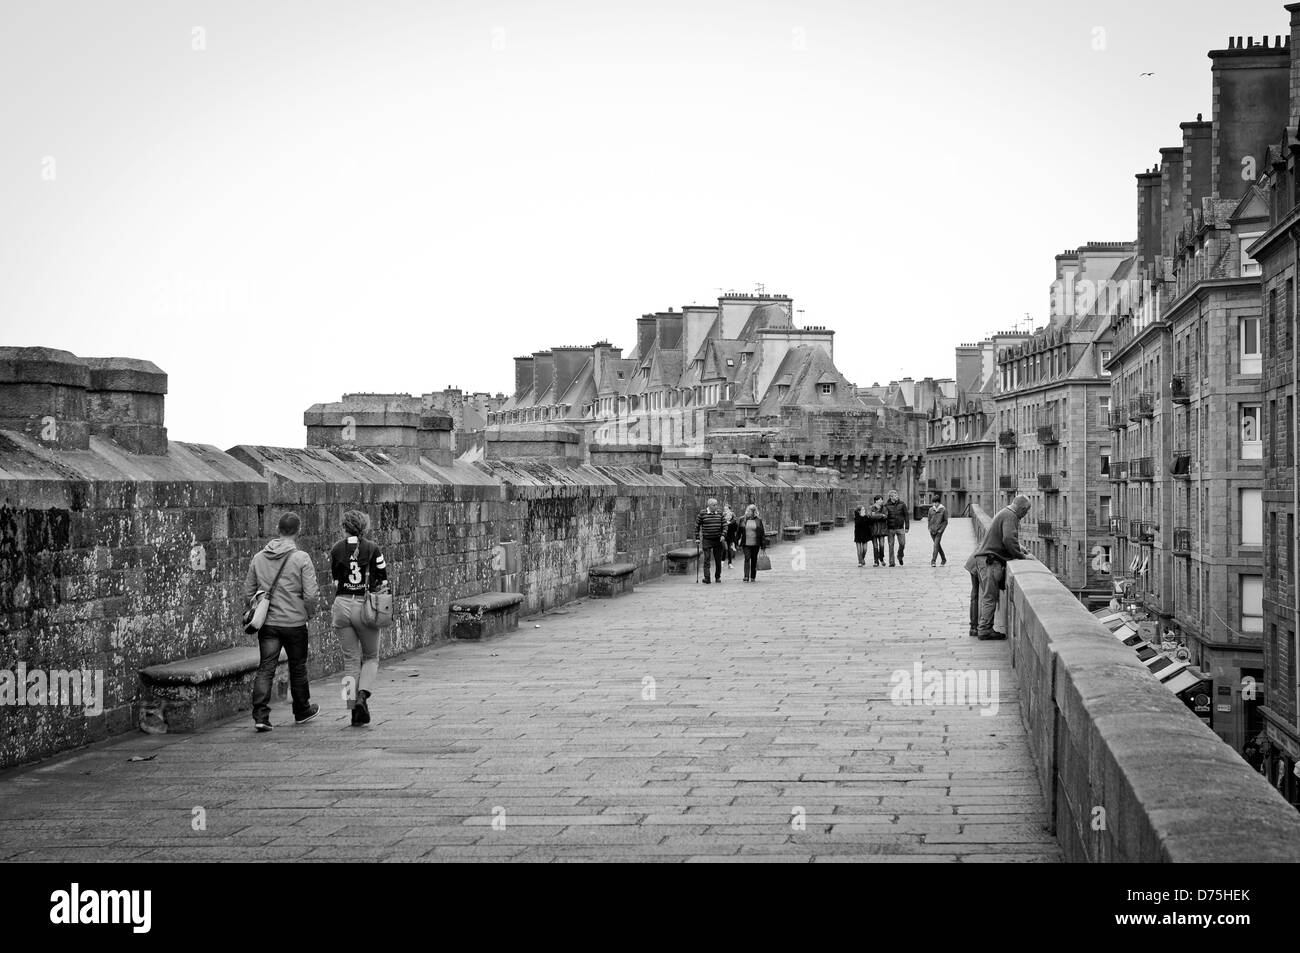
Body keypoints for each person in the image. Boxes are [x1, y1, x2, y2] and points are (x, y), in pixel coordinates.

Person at [245, 512, 320, 732]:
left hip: (268, 624)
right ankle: (301, 709)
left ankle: (261, 715)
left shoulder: (259, 558)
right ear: (299, 530)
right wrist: (308, 614)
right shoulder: (301, 558)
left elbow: (247, 591)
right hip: (295, 623)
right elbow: (311, 595)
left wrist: (258, 605)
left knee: (266, 667)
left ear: (277, 528)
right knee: (297, 667)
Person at [330, 510, 390, 727]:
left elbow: (336, 580)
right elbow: (382, 579)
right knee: (371, 657)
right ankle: (363, 696)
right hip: (365, 607)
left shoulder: (336, 548)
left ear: (344, 527)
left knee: (350, 660)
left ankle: (351, 707)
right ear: (364, 527)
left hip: (342, 605)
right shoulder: (373, 548)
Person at [973, 494, 1033, 640]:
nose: (1024, 516)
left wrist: (1020, 548)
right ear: (1022, 509)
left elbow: (1005, 537)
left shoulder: (1005, 512)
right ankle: (985, 630)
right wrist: (1022, 556)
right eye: (1025, 512)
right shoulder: (1011, 516)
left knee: (987, 596)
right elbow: (1008, 539)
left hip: (985, 559)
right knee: (990, 597)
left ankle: (983, 627)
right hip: (990, 562)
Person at [696, 497, 727, 584]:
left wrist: (723, 534)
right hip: (707, 539)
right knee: (707, 559)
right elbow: (697, 526)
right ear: (709, 506)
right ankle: (707, 578)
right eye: (714, 505)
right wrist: (697, 538)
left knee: (718, 559)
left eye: (716, 504)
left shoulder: (720, 513)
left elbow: (725, 525)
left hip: (718, 539)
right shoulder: (702, 513)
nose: (716, 506)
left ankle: (717, 577)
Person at [738, 503, 768, 582]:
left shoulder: (758, 520)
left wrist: (763, 545)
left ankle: (753, 576)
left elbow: (762, 533)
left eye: (749, 511)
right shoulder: (742, 519)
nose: (747, 512)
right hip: (746, 543)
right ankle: (746, 576)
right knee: (747, 558)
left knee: (754, 560)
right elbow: (739, 531)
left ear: (754, 512)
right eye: (747, 510)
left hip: (755, 543)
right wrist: (736, 541)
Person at [882, 489, 910, 566]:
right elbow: (885, 517)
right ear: (891, 497)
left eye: (897, 495)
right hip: (890, 529)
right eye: (895, 495)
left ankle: (899, 556)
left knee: (902, 544)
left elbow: (906, 515)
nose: (897, 496)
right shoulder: (886, 506)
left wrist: (907, 527)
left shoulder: (902, 504)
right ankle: (892, 562)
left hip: (900, 528)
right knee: (891, 545)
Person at [928, 494, 949, 567]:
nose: (934, 504)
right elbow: (929, 519)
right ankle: (943, 559)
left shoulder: (943, 509)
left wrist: (940, 530)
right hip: (932, 531)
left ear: (938, 502)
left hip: (939, 531)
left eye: (935, 502)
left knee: (935, 545)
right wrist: (929, 528)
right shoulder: (931, 509)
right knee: (937, 546)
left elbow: (945, 521)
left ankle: (933, 561)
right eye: (933, 502)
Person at [867, 496, 888, 567]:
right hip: (874, 529)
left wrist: (876, 515)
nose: (882, 501)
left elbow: (886, 517)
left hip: (882, 530)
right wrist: (881, 515)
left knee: (882, 546)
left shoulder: (884, 508)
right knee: (875, 546)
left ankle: (881, 558)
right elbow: (870, 517)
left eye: (882, 499)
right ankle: (876, 561)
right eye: (880, 500)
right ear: (876, 501)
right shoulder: (871, 508)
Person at [722, 503, 739, 569]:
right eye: (724, 509)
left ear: (730, 510)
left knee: (729, 549)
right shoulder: (722, 516)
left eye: (726, 509)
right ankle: (722, 562)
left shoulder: (733, 519)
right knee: (723, 548)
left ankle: (730, 563)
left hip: (730, 535)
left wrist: (730, 523)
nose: (725, 510)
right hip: (723, 535)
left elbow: (736, 528)